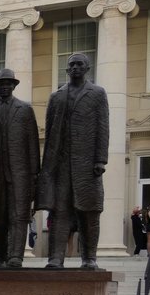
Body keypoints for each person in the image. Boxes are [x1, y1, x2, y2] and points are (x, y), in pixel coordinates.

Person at [37, 52, 109, 270]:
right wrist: (48, 168)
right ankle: (55, 258)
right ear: (67, 69)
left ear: (87, 68)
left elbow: (103, 126)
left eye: (79, 64)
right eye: (72, 65)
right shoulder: (56, 96)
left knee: (89, 213)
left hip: (87, 165)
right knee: (59, 212)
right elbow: (50, 132)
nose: (75, 67)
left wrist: (100, 159)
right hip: (61, 165)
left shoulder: (97, 93)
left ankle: (89, 258)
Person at [0, 69, 40, 268]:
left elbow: (33, 144)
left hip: (20, 174)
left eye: (8, 83)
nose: (4, 87)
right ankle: (1, 256)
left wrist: (34, 174)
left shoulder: (25, 109)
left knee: (18, 216)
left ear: (13, 85)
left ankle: (16, 257)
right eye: (1, 84)